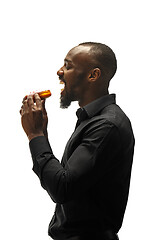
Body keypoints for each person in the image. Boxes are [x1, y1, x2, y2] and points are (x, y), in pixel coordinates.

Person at [20, 42, 135, 240]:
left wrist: (35, 134)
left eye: (68, 65)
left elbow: (61, 188)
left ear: (93, 75)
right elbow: (63, 181)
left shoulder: (107, 126)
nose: (59, 71)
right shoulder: (91, 119)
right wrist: (42, 133)